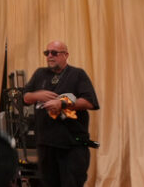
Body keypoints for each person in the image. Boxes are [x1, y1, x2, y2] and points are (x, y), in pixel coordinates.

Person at [23, 41, 99, 187]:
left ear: (66, 55)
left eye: (54, 53)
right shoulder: (40, 74)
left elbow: (89, 102)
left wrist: (62, 104)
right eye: (47, 53)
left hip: (72, 145)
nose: (49, 56)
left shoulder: (77, 74)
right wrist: (37, 95)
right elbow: (26, 97)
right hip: (45, 144)